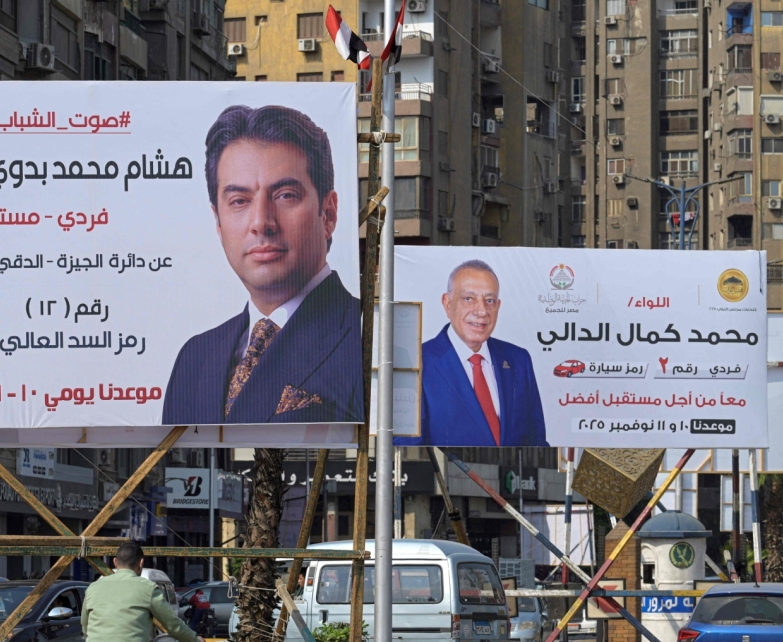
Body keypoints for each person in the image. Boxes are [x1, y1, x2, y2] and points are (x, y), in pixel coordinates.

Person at [162, 104, 363, 425]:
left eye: (285, 195)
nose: (260, 222)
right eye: (239, 201)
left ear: (329, 213)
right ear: (218, 221)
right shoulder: (195, 359)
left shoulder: (370, 340)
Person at [399, 259, 548, 447]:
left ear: (498, 306)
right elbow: (407, 450)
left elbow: (536, 442)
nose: (481, 311)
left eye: (489, 301)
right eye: (468, 299)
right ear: (447, 303)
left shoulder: (518, 360)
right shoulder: (416, 364)